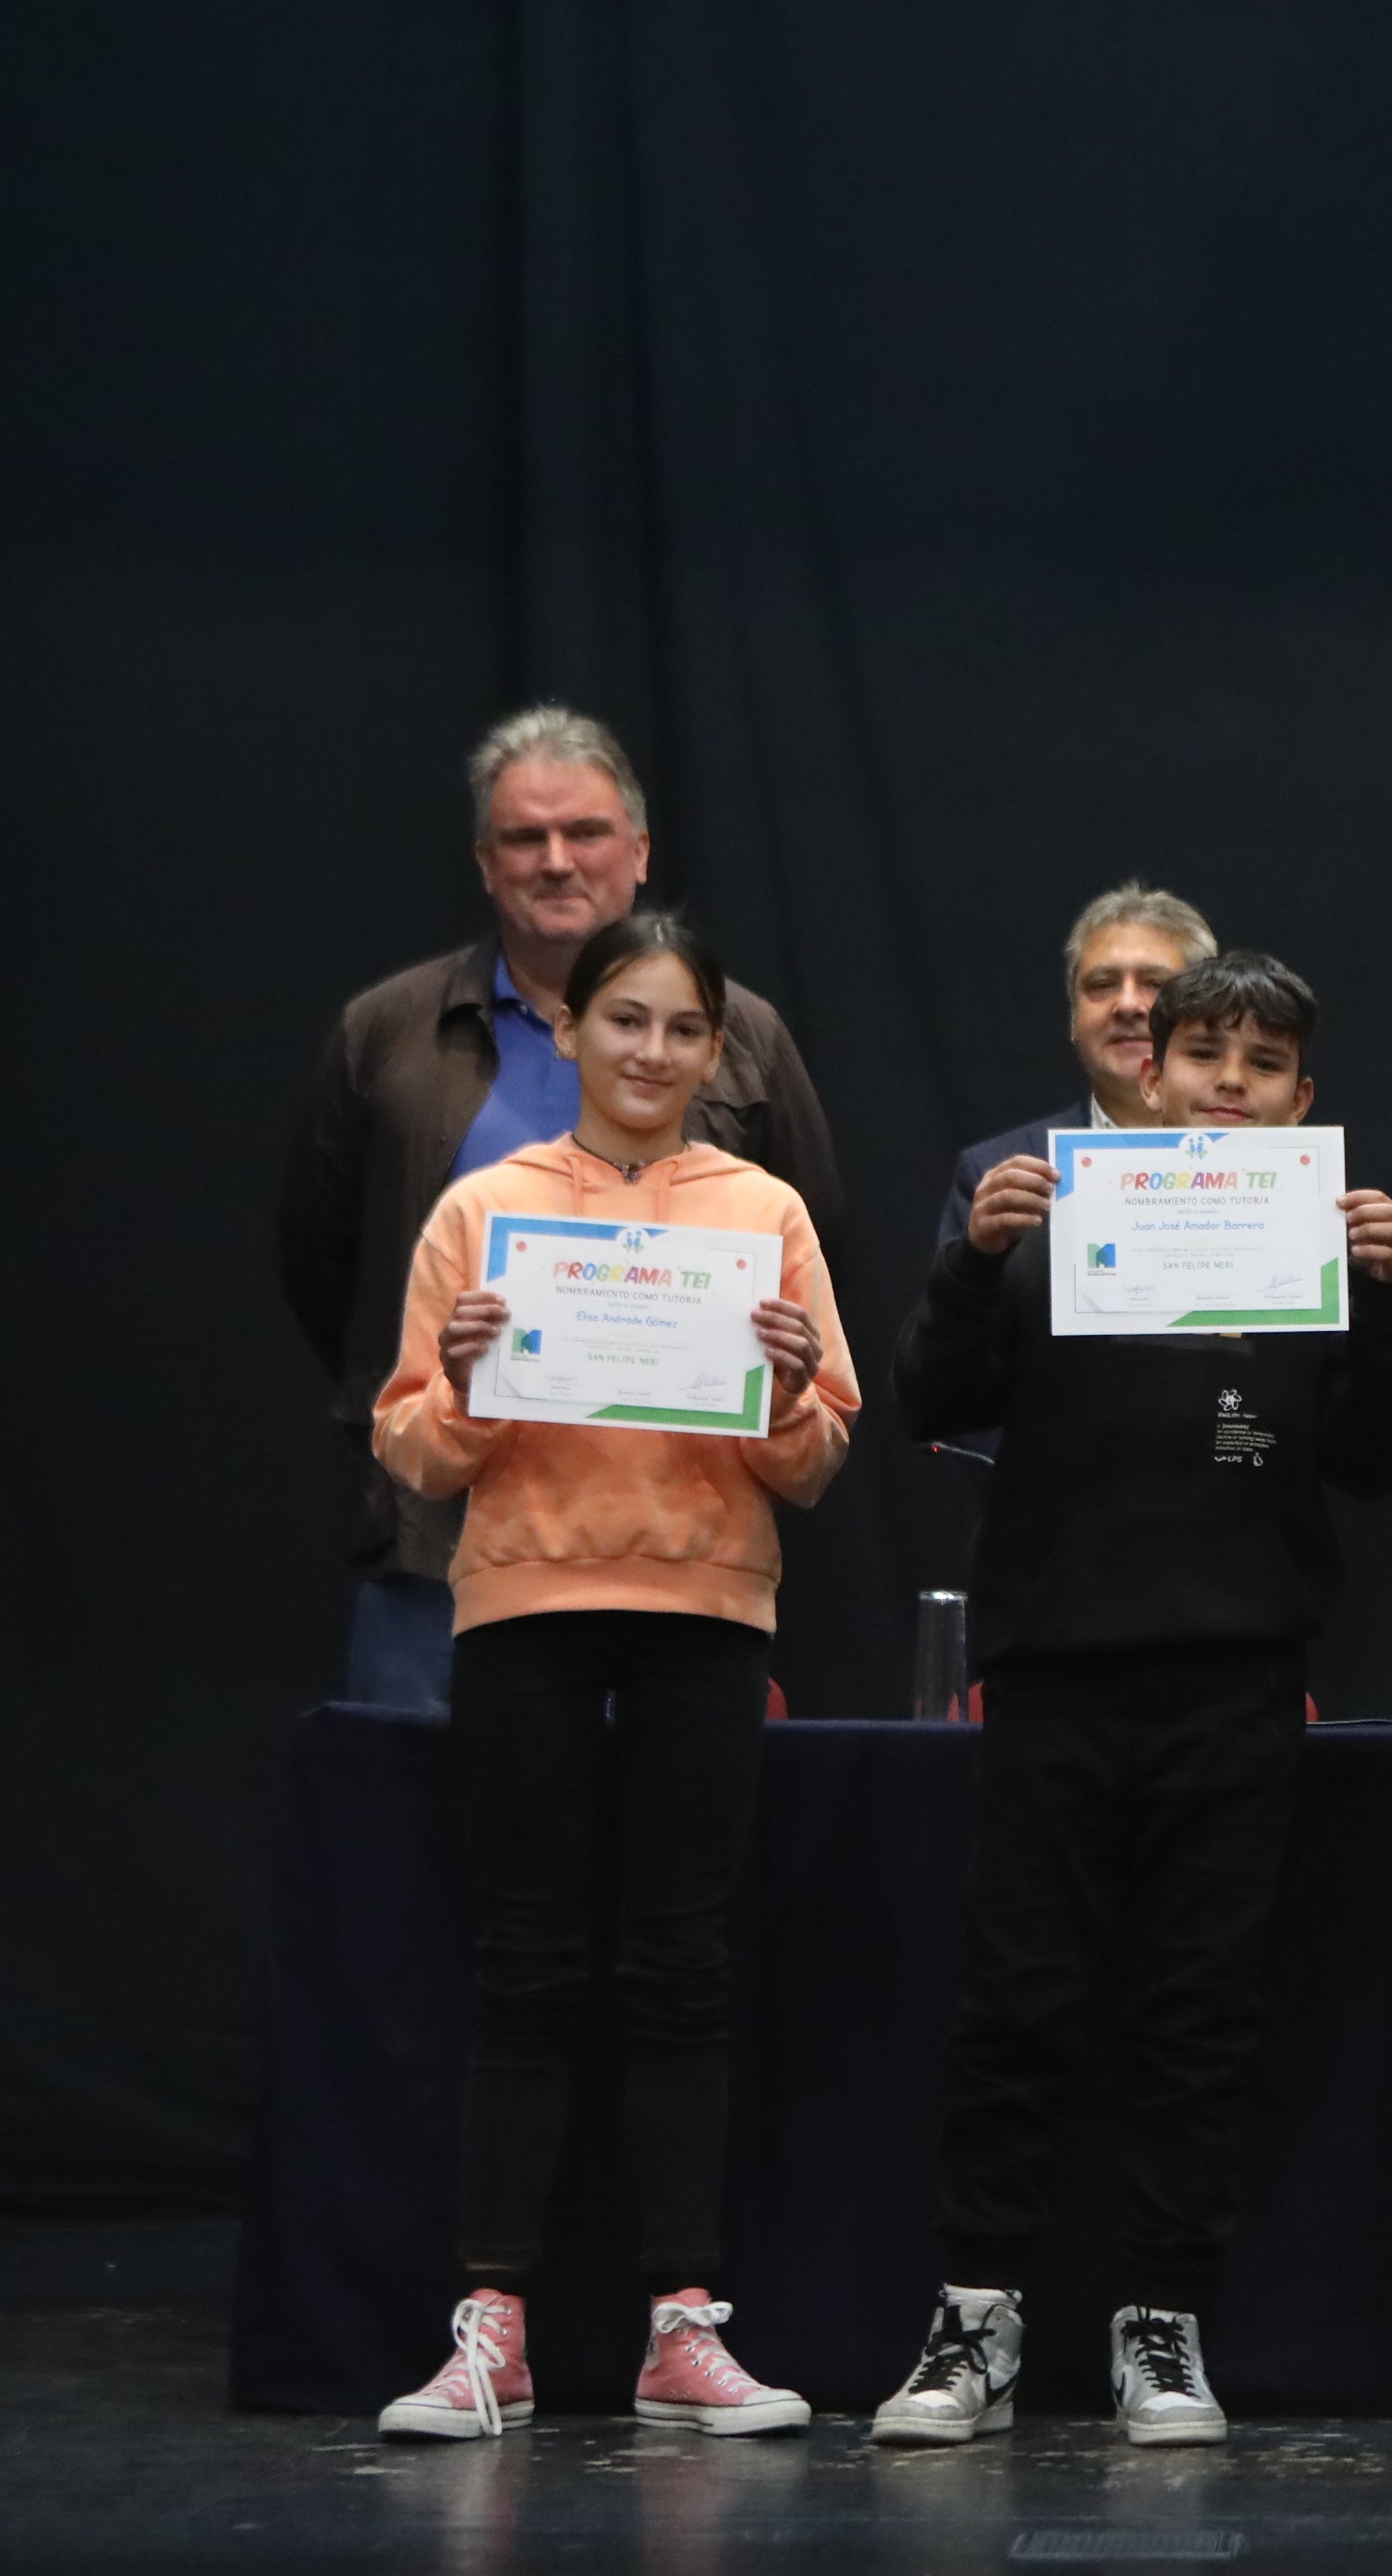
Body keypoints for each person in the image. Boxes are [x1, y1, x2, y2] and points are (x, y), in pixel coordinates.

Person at [871, 952, 1392, 2452]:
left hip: (1236, 1678)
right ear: (1146, 1073)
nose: (1225, 1084)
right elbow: (929, 1404)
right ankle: (974, 2312)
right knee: (1021, 2004)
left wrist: (1385, 1299)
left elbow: (1374, 1462)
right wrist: (969, 1264)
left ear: (1302, 1100)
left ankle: (1159, 2324)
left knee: (1197, 2015)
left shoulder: (1321, 1255)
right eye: (1200, 1055)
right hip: (1054, 1669)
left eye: (1259, 1064)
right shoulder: (1049, 1225)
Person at [366, 912, 860, 2443]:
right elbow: (413, 1446)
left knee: (680, 1960)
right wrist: (454, 1372)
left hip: (706, 1609)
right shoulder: (489, 1210)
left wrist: (780, 1390)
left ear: (719, 1053)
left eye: (681, 1029)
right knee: (523, 1953)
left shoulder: (762, 1209)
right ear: (569, 1030)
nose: (651, 1052)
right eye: (623, 1020)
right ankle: (493, 2331)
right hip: (523, 1602)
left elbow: (821, 1455)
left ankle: (680, 2327)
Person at [282, 708, 842, 1714]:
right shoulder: (388, 1033)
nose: (555, 861)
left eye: (583, 833)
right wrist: (438, 1374)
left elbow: (810, 1246)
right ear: (485, 863)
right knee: (424, 1847)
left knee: (665, 1850)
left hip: (673, 1541)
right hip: (439, 1537)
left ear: (637, 852)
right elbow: (325, 1261)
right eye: (523, 838)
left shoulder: (743, 1033)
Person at [927, 883, 1218, 1259]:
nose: (1128, 1004)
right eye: (1101, 984)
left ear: (1208, 1014)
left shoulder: (1275, 1164)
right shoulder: (997, 1175)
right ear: (1073, 1020)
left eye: (1155, 984)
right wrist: (975, 1258)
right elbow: (936, 1320)